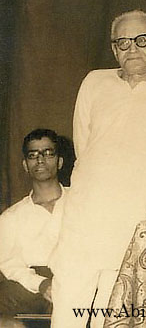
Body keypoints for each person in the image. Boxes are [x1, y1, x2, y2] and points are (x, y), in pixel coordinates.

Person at [49, 10, 146, 328]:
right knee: (68, 312)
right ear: (113, 49)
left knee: (114, 316)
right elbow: (84, 146)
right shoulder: (95, 81)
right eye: (122, 42)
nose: (131, 48)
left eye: (141, 40)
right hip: (84, 219)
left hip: (134, 222)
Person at [0, 129, 66, 316]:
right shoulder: (10, 217)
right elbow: (9, 264)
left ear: (60, 162)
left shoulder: (81, 203)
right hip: (32, 288)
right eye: (33, 155)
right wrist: (42, 284)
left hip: (78, 280)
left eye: (48, 153)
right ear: (25, 165)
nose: (40, 160)